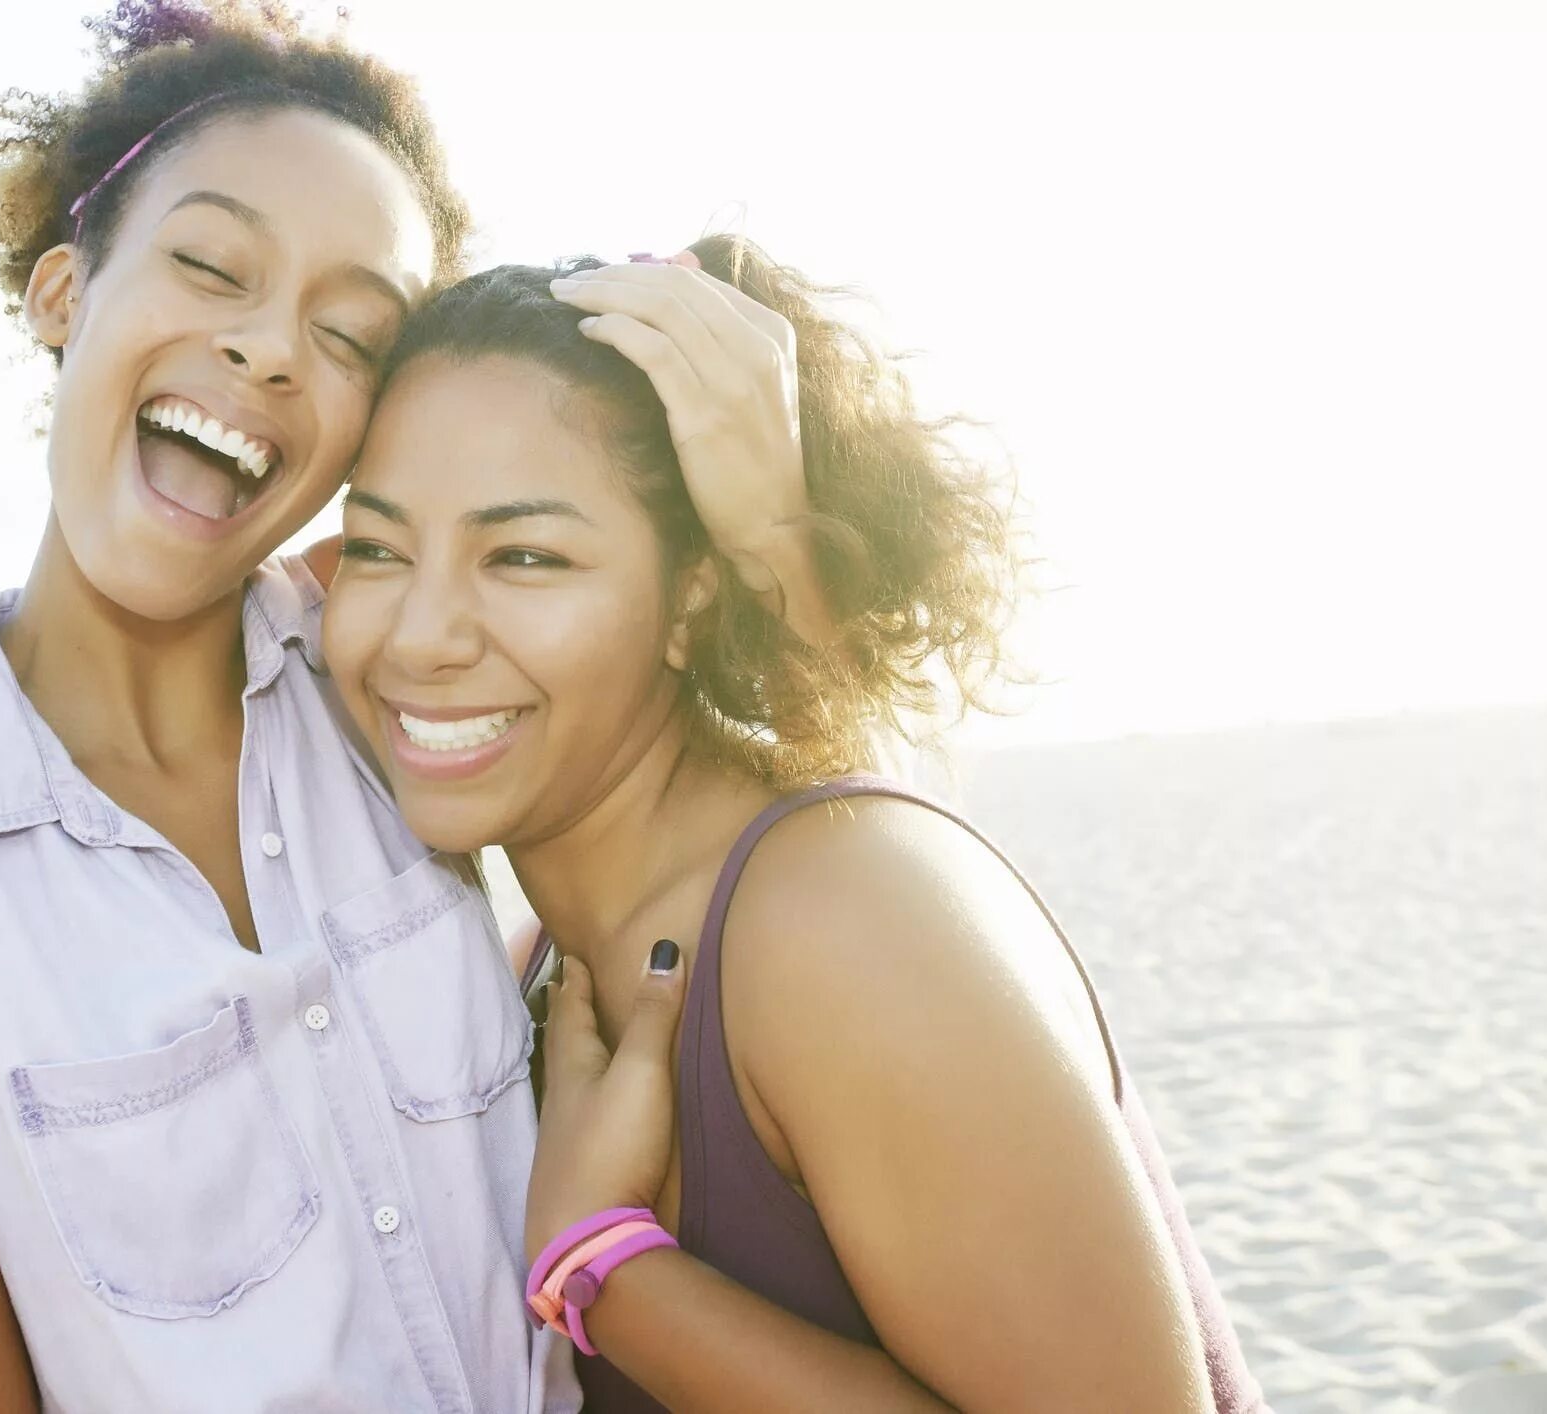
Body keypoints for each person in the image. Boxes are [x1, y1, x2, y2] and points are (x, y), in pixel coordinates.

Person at [0, 6, 820, 1410]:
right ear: (63, 295)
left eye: (352, 333)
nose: (271, 351)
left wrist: (772, 535)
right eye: (209, 264)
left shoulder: (396, 685)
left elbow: (814, 899)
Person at [322, 236, 1271, 1413]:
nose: (420, 636)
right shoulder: (539, 980)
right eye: (375, 547)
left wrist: (602, 1267)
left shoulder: (835, 918)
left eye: (524, 555)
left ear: (690, 601)